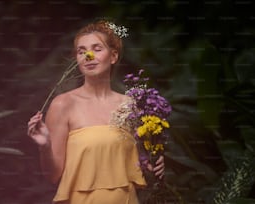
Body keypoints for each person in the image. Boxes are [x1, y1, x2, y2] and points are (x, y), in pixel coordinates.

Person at [27, 20, 165, 204]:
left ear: (113, 56)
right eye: (81, 51)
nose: (88, 55)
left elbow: (137, 165)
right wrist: (45, 146)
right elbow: (52, 176)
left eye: (97, 49)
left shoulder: (130, 106)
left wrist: (154, 164)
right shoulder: (63, 104)